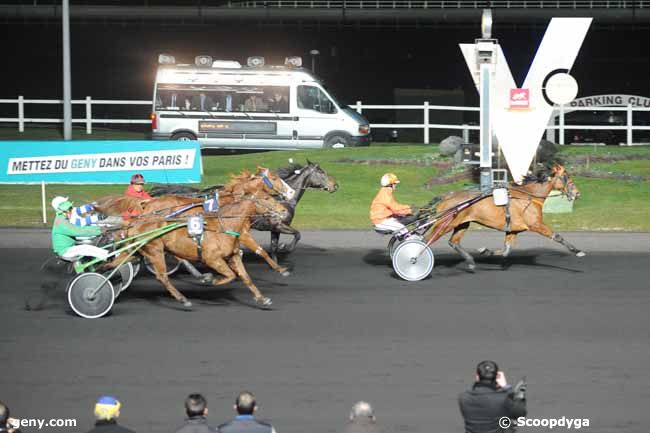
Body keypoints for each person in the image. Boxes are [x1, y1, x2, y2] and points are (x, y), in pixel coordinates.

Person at [458, 360, 527, 433]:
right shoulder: (503, 398)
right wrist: (506, 388)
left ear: (477, 376)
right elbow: (520, 413)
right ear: (497, 376)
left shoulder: (463, 397)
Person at [51, 196, 108, 261]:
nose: (71, 211)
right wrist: (99, 229)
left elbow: (82, 209)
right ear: (63, 210)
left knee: (89, 247)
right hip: (65, 251)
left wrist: (97, 204)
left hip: (71, 244)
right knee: (86, 248)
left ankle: (105, 256)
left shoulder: (63, 216)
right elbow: (79, 230)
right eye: (69, 210)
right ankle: (108, 257)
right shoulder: (62, 222)